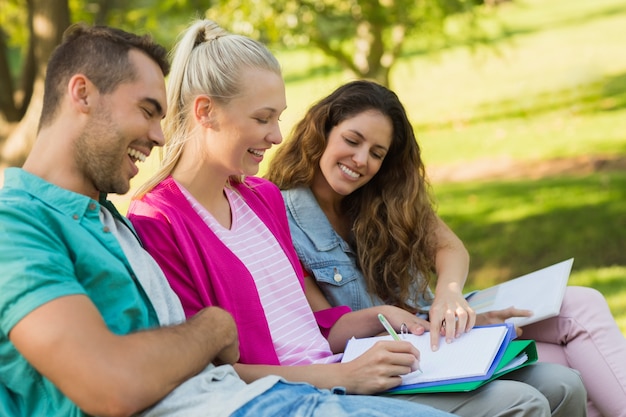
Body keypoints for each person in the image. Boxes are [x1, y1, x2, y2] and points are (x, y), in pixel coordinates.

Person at [128, 19, 587, 417]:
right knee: (522, 406)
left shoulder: (260, 198)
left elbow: (311, 325)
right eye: (263, 118)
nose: (277, 135)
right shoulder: (159, 221)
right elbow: (208, 373)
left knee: (560, 387)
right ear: (206, 112)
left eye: (279, 118)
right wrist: (345, 375)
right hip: (300, 393)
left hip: (344, 368)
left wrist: (380, 317)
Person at [0, 24, 459, 417]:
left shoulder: (106, 221)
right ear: (81, 93)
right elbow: (114, 381)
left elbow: (285, 327)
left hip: (254, 397)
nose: (160, 135)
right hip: (262, 399)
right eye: (146, 110)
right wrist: (214, 328)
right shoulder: (19, 226)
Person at [266, 79, 626, 417]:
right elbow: (326, 332)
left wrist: (450, 295)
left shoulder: (383, 196)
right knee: (566, 369)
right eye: (352, 140)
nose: (361, 160)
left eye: (376, 153)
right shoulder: (278, 216)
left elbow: (450, 249)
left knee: (582, 306)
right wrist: (393, 316)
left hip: (441, 329)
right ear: (322, 132)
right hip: (401, 356)